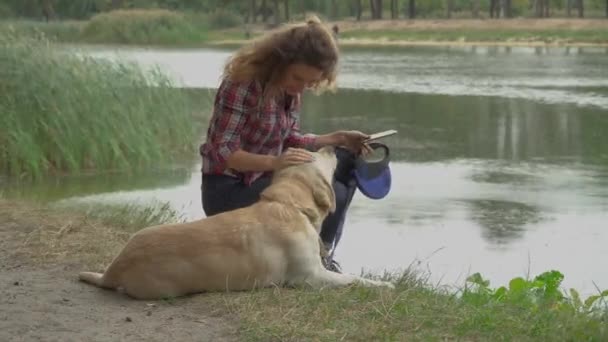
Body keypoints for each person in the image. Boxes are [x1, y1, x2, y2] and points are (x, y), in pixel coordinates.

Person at [199, 15, 371, 273]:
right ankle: (316, 261)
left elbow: (289, 137)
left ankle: (322, 254)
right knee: (327, 188)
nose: (301, 87)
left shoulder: (289, 92)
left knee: (346, 164)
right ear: (279, 62)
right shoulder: (242, 83)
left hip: (269, 185)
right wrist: (274, 162)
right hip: (228, 191)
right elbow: (223, 151)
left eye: (310, 82)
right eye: (297, 78)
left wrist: (337, 139)